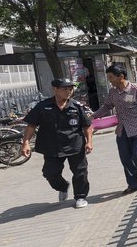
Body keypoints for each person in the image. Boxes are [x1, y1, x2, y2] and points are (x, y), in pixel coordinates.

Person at [21, 78, 94, 209]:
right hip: (52, 146)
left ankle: (80, 196)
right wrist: (25, 143)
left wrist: (89, 141)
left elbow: (87, 126)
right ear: (55, 90)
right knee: (50, 173)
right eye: (65, 89)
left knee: (80, 172)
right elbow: (31, 126)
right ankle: (63, 187)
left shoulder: (77, 106)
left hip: (75, 144)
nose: (69, 91)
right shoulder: (42, 106)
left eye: (70, 88)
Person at [93, 65, 137, 194]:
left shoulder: (136, 90)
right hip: (122, 130)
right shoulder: (113, 92)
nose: (109, 80)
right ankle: (134, 184)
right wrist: (94, 116)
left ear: (121, 76)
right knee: (126, 158)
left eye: (111, 77)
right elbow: (107, 106)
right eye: (108, 77)